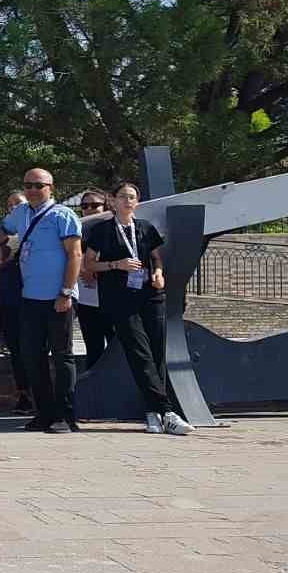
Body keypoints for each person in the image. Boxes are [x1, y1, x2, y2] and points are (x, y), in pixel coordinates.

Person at [82, 182, 193, 435]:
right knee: (139, 352)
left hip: (151, 296)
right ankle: (167, 411)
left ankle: (153, 411)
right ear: (113, 201)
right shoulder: (102, 230)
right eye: (122, 197)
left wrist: (158, 272)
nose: (127, 201)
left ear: (137, 202)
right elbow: (90, 264)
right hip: (120, 299)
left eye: (132, 197)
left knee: (156, 352)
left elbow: (155, 256)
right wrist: (115, 265)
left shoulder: (145, 227)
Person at [0, 168, 82, 434]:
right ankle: (44, 413)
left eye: (38, 185)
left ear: (51, 187)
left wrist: (66, 291)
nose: (32, 190)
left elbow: (75, 254)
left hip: (57, 298)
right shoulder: (22, 212)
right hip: (30, 298)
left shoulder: (63, 215)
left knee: (62, 356)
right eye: (27, 185)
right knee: (32, 357)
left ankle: (65, 415)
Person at [0, 189, 32, 413]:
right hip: (10, 301)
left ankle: (42, 394)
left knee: (38, 349)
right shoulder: (1, 236)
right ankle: (24, 395)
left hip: (37, 297)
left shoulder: (40, 229)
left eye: (18, 203)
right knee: (17, 350)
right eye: (10, 205)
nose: (14, 207)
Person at [73, 188, 111, 367]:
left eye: (95, 205)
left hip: (110, 300)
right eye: (85, 206)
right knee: (93, 348)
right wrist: (83, 267)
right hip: (86, 301)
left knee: (115, 346)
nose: (89, 209)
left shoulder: (113, 230)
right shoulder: (76, 232)